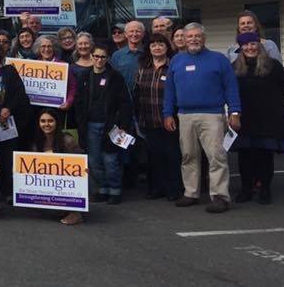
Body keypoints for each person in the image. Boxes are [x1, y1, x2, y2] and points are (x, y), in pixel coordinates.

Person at [163, 23, 240, 213]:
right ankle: (191, 193)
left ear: (204, 39)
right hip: (184, 115)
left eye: (197, 36)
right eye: (190, 37)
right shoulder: (176, 61)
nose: (193, 40)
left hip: (212, 115)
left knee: (216, 156)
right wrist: (167, 113)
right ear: (184, 39)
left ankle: (220, 196)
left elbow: (231, 87)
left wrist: (235, 112)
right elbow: (169, 90)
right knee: (188, 156)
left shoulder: (219, 60)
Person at [230, 32, 284, 204]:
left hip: (268, 117)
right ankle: (246, 190)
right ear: (241, 48)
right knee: (245, 156)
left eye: (252, 44)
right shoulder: (235, 67)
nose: (249, 48)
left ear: (259, 46)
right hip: (245, 117)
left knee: (264, 156)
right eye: (245, 45)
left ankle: (265, 190)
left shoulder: (273, 65)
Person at [73, 42, 132, 204]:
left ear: (107, 59)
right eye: (96, 56)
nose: (99, 59)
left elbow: (125, 103)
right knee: (94, 160)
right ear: (91, 56)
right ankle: (102, 189)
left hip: (111, 125)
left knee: (111, 159)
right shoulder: (84, 76)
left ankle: (115, 190)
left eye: (103, 57)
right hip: (90, 125)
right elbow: (79, 103)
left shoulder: (115, 77)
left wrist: (123, 126)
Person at [0, 40, 31, 201]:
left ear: (0, 54)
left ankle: (9, 192)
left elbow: (19, 94)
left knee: (8, 156)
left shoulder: (9, 71)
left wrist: (8, 108)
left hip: (7, 122)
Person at [133, 33, 181, 201]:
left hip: (169, 120)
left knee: (172, 155)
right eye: (153, 45)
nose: (157, 47)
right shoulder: (143, 67)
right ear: (149, 48)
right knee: (154, 156)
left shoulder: (173, 66)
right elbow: (137, 93)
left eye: (161, 44)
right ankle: (156, 188)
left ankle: (173, 189)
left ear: (167, 47)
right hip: (148, 118)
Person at [31, 108, 85, 226]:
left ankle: (76, 212)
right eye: (43, 121)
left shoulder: (67, 140)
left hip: (67, 180)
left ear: (57, 122)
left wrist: (54, 156)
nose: (46, 124)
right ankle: (60, 208)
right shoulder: (37, 141)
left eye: (50, 121)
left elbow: (81, 165)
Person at [34, 35, 75, 113]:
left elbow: (72, 87)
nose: (46, 49)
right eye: (43, 46)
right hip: (36, 109)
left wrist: (69, 102)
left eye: (50, 46)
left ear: (54, 48)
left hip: (58, 109)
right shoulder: (32, 65)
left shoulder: (63, 65)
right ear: (38, 49)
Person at [111, 20, 145, 91]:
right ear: (126, 34)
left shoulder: (149, 53)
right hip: (123, 97)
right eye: (131, 31)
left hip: (145, 97)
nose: (134, 34)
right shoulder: (117, 55)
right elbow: (112, 78)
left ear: (143, 34)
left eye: (138, 31)